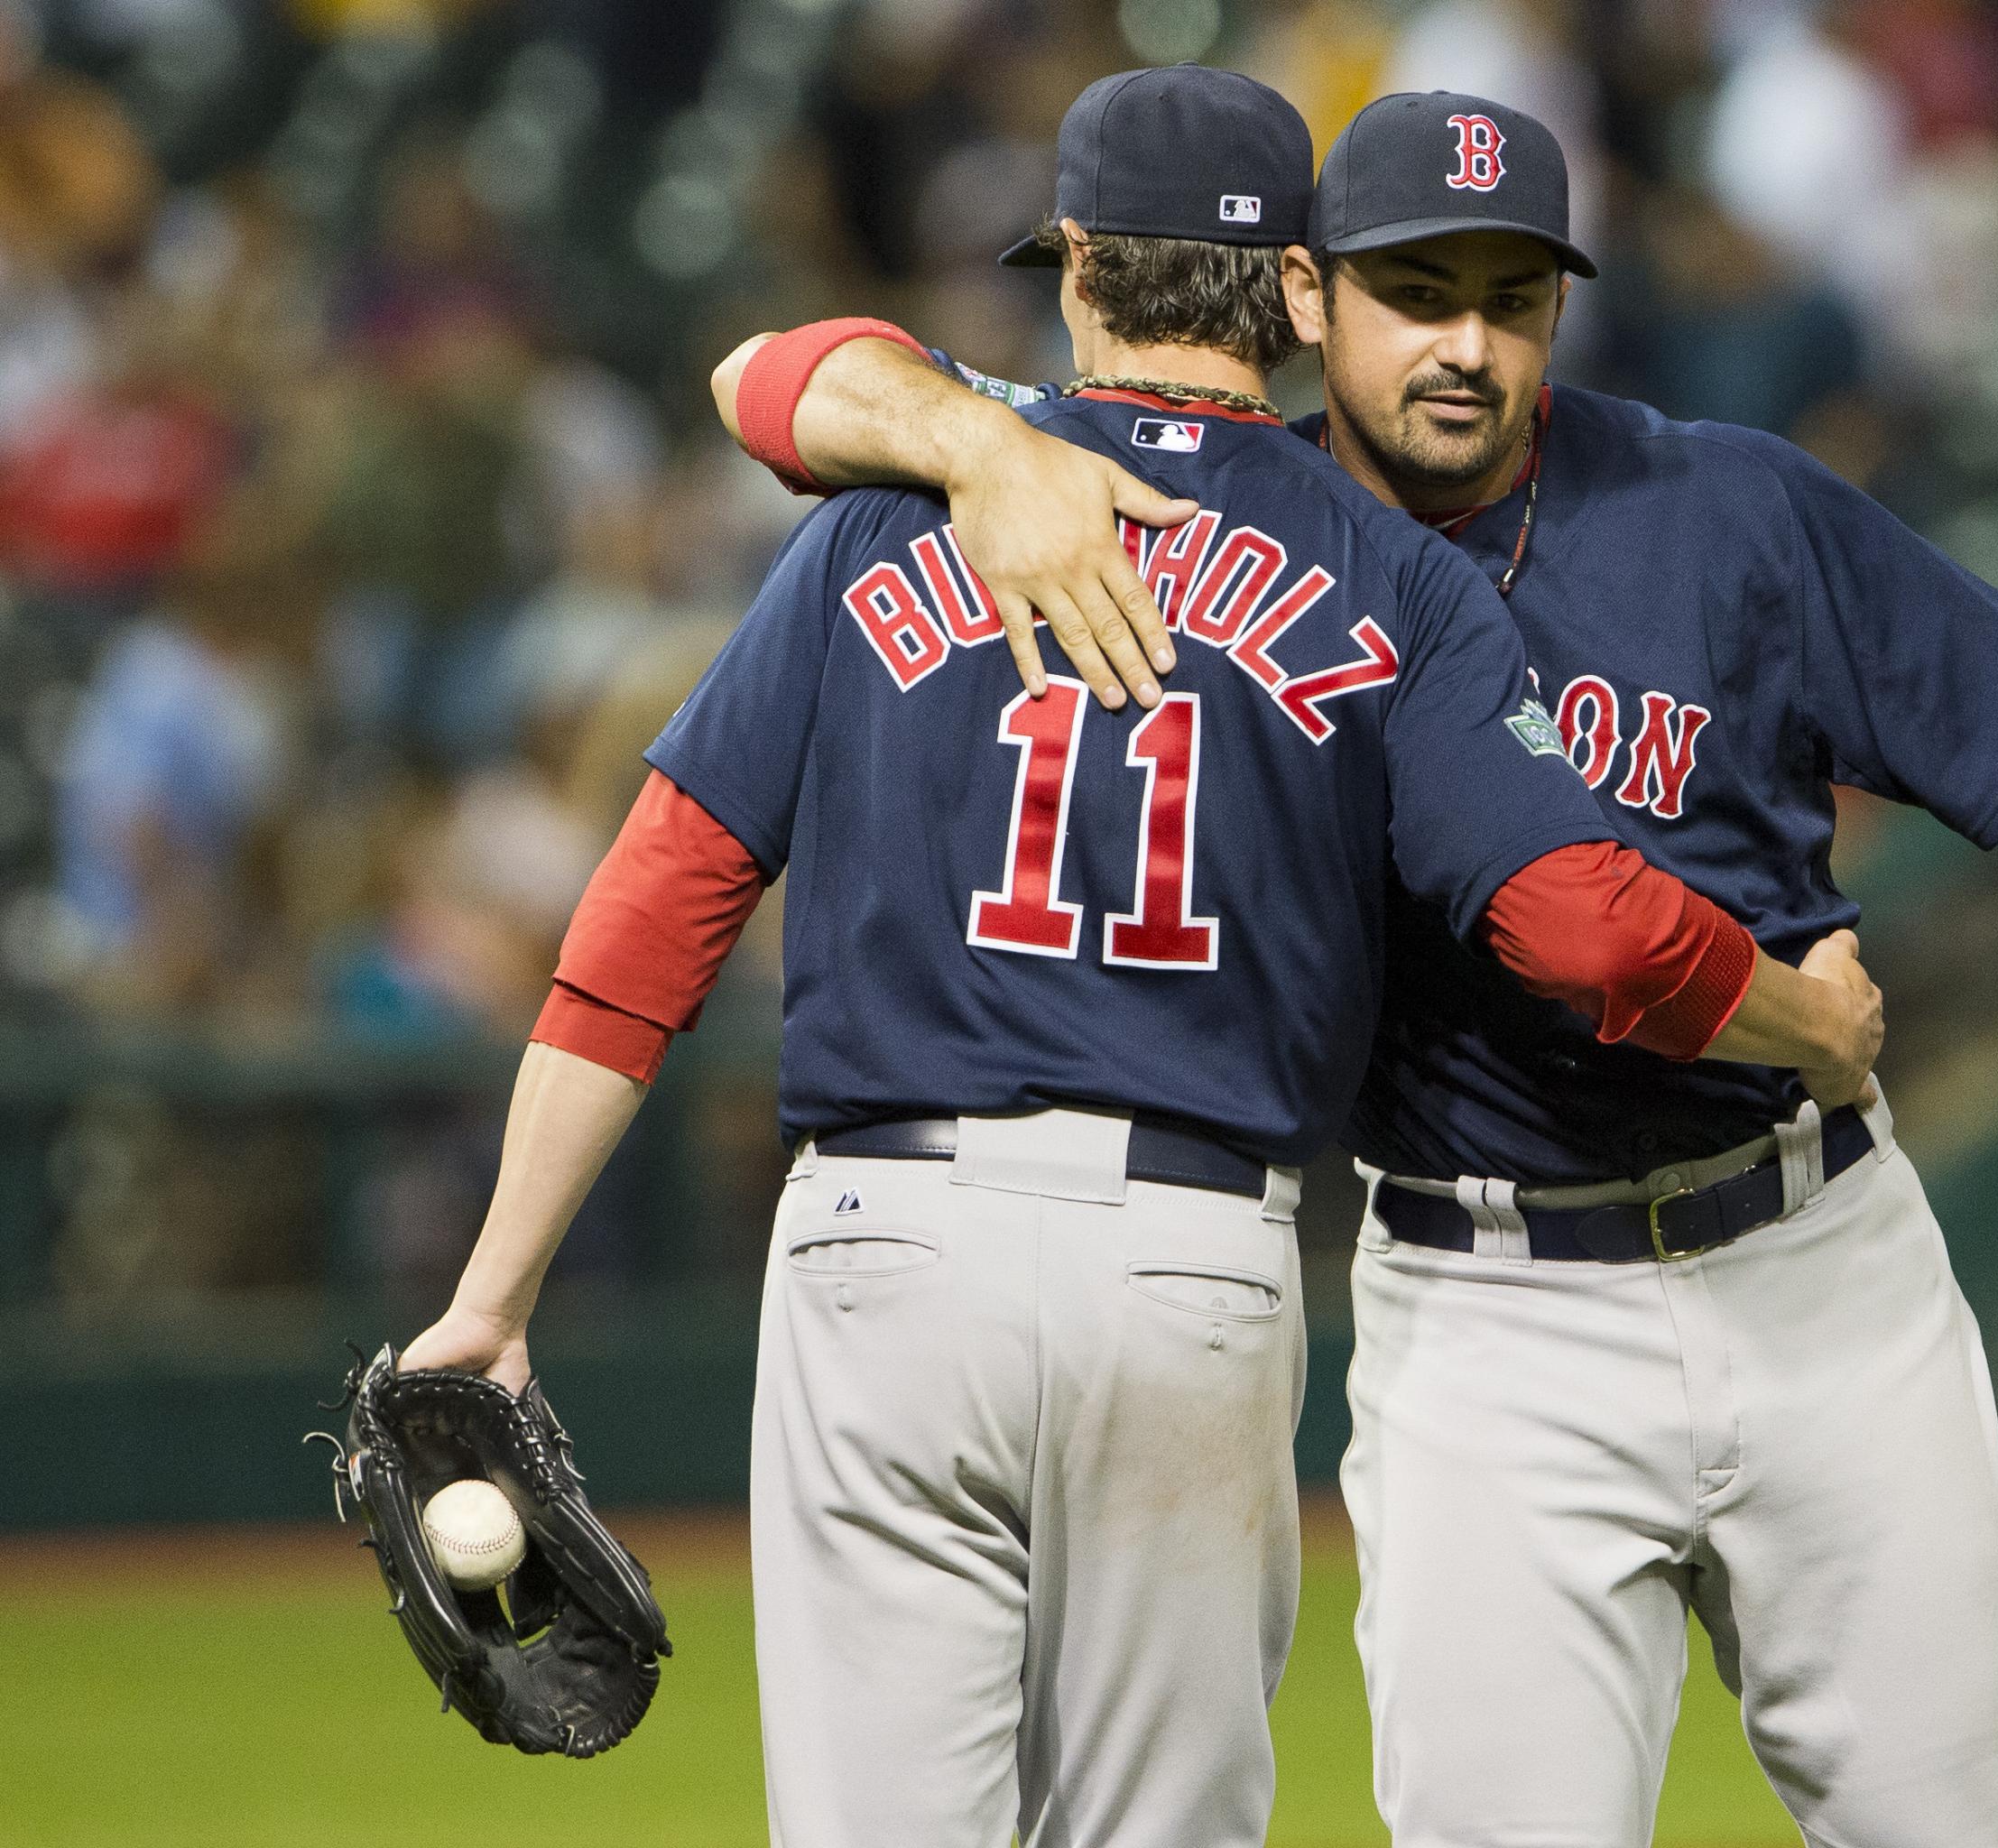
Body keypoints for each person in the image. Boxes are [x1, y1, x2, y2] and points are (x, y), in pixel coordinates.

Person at [714, 88, 1998, 1847]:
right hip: (1485, 1309)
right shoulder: (1197, 520)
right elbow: (776, 377)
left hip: (1817, 1257)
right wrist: (985, 445)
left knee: (1966, 1813)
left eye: (1511, 298)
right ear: (1304, 297)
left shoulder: (1728, 511)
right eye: (1415, 293)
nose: (1465, 345)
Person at [398, 68, 1882, 1848]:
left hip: (887, 1248)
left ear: (1079, 264)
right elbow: (1580, 923)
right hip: (1191, 1263)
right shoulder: (1393, 571)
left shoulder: (882, 511)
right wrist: (1809, 1021)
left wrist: (494, 1291)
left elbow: (656, 911)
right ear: (1305, 289)